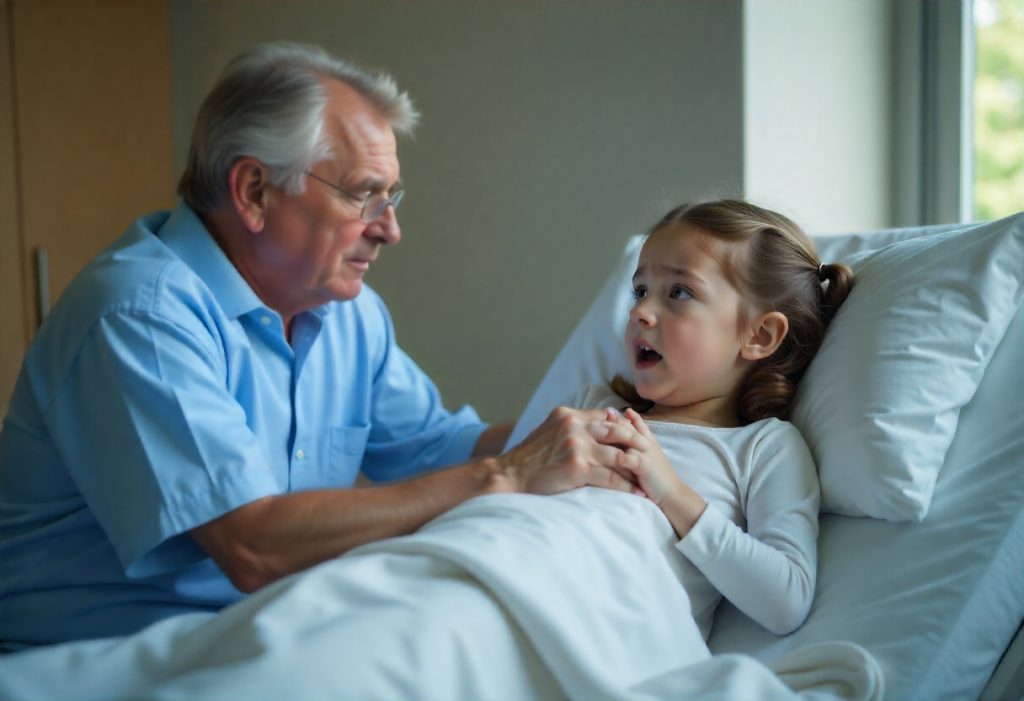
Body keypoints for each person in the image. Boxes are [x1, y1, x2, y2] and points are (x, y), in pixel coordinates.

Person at [0, 42, 635, 649]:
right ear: (253, 191)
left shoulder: (348, 313)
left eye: (392, 197)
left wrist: (590, 432)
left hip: (255, 631)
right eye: (364, 195)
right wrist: (507, 473)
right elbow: (254, 546)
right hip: (104, 655)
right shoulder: (140, 314)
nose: (390, 229)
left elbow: (439, 450)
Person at [570, 199, 854, 639]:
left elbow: (786, 599)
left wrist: (669, 490)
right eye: (640, 290)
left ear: (758, 335)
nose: (638, 312)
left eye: (678, 293)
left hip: (604, 625)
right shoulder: (596, 405)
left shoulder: (763, 448)